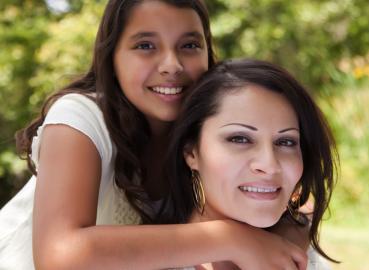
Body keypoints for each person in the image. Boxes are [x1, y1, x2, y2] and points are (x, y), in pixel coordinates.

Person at [0, 1, 308, 269]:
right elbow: (59, 255)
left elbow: (292, 207)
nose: (171, 65)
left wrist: (279, 245)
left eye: (189, 45)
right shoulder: (81, 117)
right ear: (112, 57)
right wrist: (230, 238)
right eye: (145, 45)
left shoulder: (208, 127)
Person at [161, 59, 338, 269]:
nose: (270, 165)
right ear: (191, 152)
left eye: (286, 142)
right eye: (239, 139)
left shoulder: (305, 257)